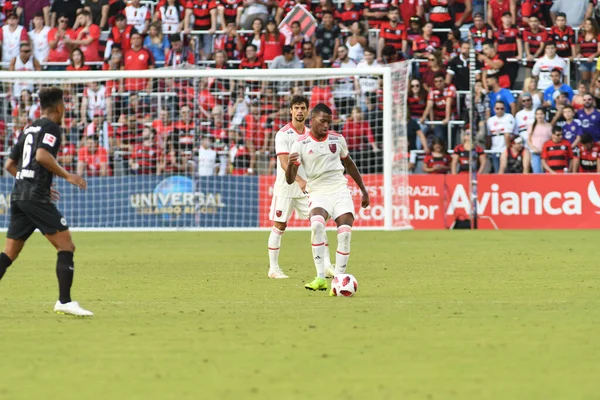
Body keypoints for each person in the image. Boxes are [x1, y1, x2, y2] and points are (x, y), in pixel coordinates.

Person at [0, 86, 91, 317]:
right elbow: (41, 155)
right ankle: (65, 301)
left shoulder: (29, 128)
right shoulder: (52, 127)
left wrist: (32, 180)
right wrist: (67, 175)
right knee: (66, 246)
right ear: (59, 107)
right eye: (64, 106)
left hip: (20, 194)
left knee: (9, 253)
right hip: (34, 197)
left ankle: (65, 301)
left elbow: (9, 165)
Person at [286, 103, 369, 293]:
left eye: (329, 122)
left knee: (345, 233)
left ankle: (338, 280)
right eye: (323, 121)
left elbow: (349, 164)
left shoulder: (337, 139)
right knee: (316, 225)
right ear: (312, 119)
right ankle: (320, 277)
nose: (326, 126)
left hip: (340, 190)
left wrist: (363, 190)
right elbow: (290, 180)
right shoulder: (300, 143)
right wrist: (291, 166)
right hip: (317, 191)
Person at [269, 96, 334, 280]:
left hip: (307, 188)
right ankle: (273, 268)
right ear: (290, 110)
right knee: (280, 225)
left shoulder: (310, 134)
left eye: (302, 108)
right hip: (286, 187)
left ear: (307, 112)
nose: (299, 111)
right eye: (296, 107)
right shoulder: (283, 134)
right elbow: (283, 163)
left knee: (319, 223)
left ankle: (327, 266)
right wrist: (298, 180)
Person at [486, 100, 516, 172]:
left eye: (502, 108)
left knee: (505, 171)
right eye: (497, 108)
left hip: (505, 150)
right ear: (494, 109)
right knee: (497, 171)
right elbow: (488, 136)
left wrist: (508, 150)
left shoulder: (509, 117)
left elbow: (507, 135)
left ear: (504, 109)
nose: (499, 110)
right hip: (494, 149)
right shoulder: (490, 120)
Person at [527, 107, 553, 173]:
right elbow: (529, 140)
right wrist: (533, 148)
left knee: (547, 172)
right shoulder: (531, 126)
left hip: (547, 153)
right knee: (537, 172)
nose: (539, 116)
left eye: (541, 114)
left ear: (544, 115)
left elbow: (551, 139)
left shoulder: (549, 126)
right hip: (535, 152)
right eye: (537, 114)